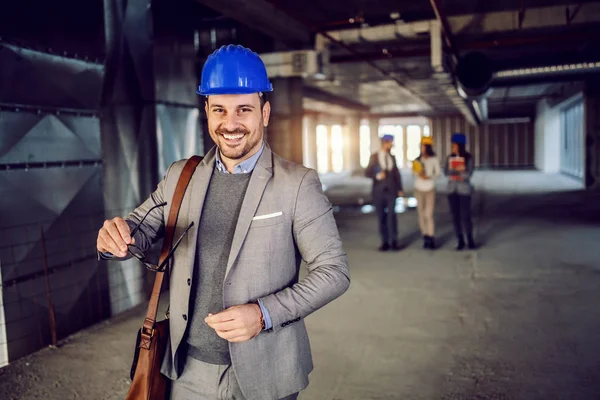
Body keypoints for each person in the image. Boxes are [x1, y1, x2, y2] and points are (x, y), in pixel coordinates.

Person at [96, 44, 350, 400]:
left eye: (243, 110)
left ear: (264, 113)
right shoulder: (180, 177)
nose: (230, 124)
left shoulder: (297, 184)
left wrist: (263, 314)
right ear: (207, 112)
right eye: (220, 110)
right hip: (187, 371)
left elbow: (333, 272)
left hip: (267, 370)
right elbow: (138, 231)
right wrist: (115, 238)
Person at [365, 134, 404, 251]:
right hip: (378, 191)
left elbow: (397, 174)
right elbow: (367, 173)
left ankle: (394, 241)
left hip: (391, 191)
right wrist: (377, 176)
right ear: (385, 143)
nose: (391, 145)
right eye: (390, 143)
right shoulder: (374, 157)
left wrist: (400, 188)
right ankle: (384, 242)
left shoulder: (392, 157)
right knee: (381, 216)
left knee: (392, 215)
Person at [444, 132, 476, 250]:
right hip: (452, 190)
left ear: (460, 145)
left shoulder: (468, 157)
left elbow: (469, 174)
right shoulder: (449, 157)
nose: (452, 147)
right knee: (455, 216)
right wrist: (455, 169)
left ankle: (470, 240)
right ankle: (460, 240)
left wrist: (461, 171)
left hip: (464, 190)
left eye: (454, 145)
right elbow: (446, 172)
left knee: (466, 216)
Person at [412, 136, 441, 249]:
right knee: (421, 214)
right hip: (418, 189)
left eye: (423, 146)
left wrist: (428, 176)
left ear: (428, 147)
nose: (421, 148)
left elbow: (438, 174)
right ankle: (425, 237)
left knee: (428, 214)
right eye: (420, 146)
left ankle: (431, 236)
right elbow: (413, 173)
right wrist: (417, 173)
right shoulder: (417, 160)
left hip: (429, 189)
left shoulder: (434, 160)